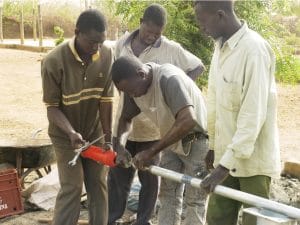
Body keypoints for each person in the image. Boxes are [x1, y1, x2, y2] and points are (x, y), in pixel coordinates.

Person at [108, 4, 206, 225]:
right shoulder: (134, 82)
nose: (131, 95)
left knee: (194, 197)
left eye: (132, 91)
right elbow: (125, 118)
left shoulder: (169, 79)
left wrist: (152, 150)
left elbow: (188, 120)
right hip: (170, 136)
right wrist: (120, 145)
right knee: (168, 194)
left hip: (196, 139)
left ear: (142, 74)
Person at [194, 1, 281, 225]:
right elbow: (214, 102)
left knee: (255, 220)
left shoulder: (254, 50)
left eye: (203, 21)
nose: (201, 27)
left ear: (220, 15)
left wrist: (221, 168)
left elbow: (253, 116)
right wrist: (213, 147)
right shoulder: (219, 48)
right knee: (217, 219)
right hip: (225, 158)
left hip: (253, 164)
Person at [41, 9, 114, 225]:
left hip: (95, 133)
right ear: (77, 32)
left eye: (101, 42)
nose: (96, 48)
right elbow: (52, 108)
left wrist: (108, 139)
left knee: (98, 184)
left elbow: (106, 100)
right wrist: (71, 132)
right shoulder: (53, 61)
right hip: (65, 136)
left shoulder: (107, 55)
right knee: (72, 185)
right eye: (92, 42)